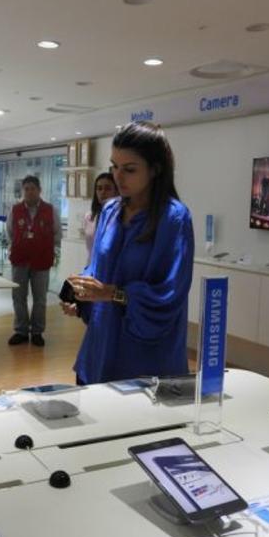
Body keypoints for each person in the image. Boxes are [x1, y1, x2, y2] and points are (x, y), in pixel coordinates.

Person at [62, 121, 194, 384]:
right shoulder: (110, 211)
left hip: (144, 358)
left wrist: (113, 293)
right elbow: (97, 268)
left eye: (129, 169)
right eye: (114, 166)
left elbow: (169, 295)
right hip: (100, 347)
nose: (117, 177)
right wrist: (82, 292)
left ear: (155, 169)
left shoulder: (174, 219)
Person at [7, 175, 61, 347]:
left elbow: (57, 234)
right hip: (19, 260)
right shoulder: (15, 210)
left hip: (42, 260)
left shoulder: (50, 210)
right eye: (26, 189)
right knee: (18, 297)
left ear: (39, 190)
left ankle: (37, 332)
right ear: (23, 191)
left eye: (33, 189)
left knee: (40, 299)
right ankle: (21, 331)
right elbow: (10, 232)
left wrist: (49, 249)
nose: (29, 192)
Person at [81, 172, 118, 258]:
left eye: (108, 188)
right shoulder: (89, 217)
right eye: (99, 188)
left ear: (116, 191)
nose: (103, 192)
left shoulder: (119, 216)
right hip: (92, 262)